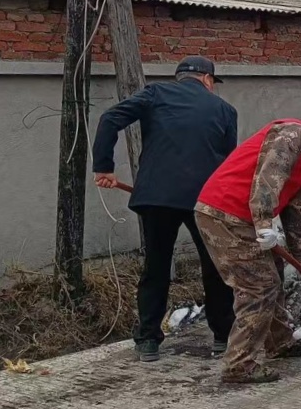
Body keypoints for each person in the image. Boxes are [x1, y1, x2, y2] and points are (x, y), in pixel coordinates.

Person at [91, 55, 238, 363]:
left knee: (156, 267)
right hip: (204, 201)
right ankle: (223, 336)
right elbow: (228, 164)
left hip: (156, 198)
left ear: (179, 77)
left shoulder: (156, 94)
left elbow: (110, 119)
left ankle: (147, 340)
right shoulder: (225, 110)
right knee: (214, 267)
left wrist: (104, 167)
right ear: (208, 80)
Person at [194, 105, 301, 384]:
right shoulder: (294, 135)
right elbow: (267, 179)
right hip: (225, 214)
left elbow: (294, 209)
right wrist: (264, 222)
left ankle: (279, 342)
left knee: (273, 273)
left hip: (241, 217)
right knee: (258, 286)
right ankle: (239, 365)